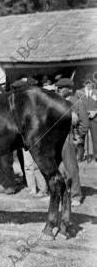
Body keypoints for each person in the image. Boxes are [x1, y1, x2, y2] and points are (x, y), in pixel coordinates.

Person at [57, 78, 86, 206]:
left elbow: (84, 122)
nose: (58, 90)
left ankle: (76, 195)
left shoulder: (77, 102)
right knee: (59, 167)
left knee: (71, 167)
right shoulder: (58, 102)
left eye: (60, 88)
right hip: (58, 138)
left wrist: (78, 136)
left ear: (69, 89)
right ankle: (61, 192)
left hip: (70, 137)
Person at [81, 77, 97, 162]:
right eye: (87, 83)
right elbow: (78, 104)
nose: (88, 85)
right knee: (82, 137)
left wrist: (95, 112)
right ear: (84, 84)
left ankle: (96, 155)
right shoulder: (80, 93)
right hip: (84, 119)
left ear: (92, 84)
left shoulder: (96, 92)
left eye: (90, 83)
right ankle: (82, 155)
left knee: (95, 138)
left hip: (94, 118)